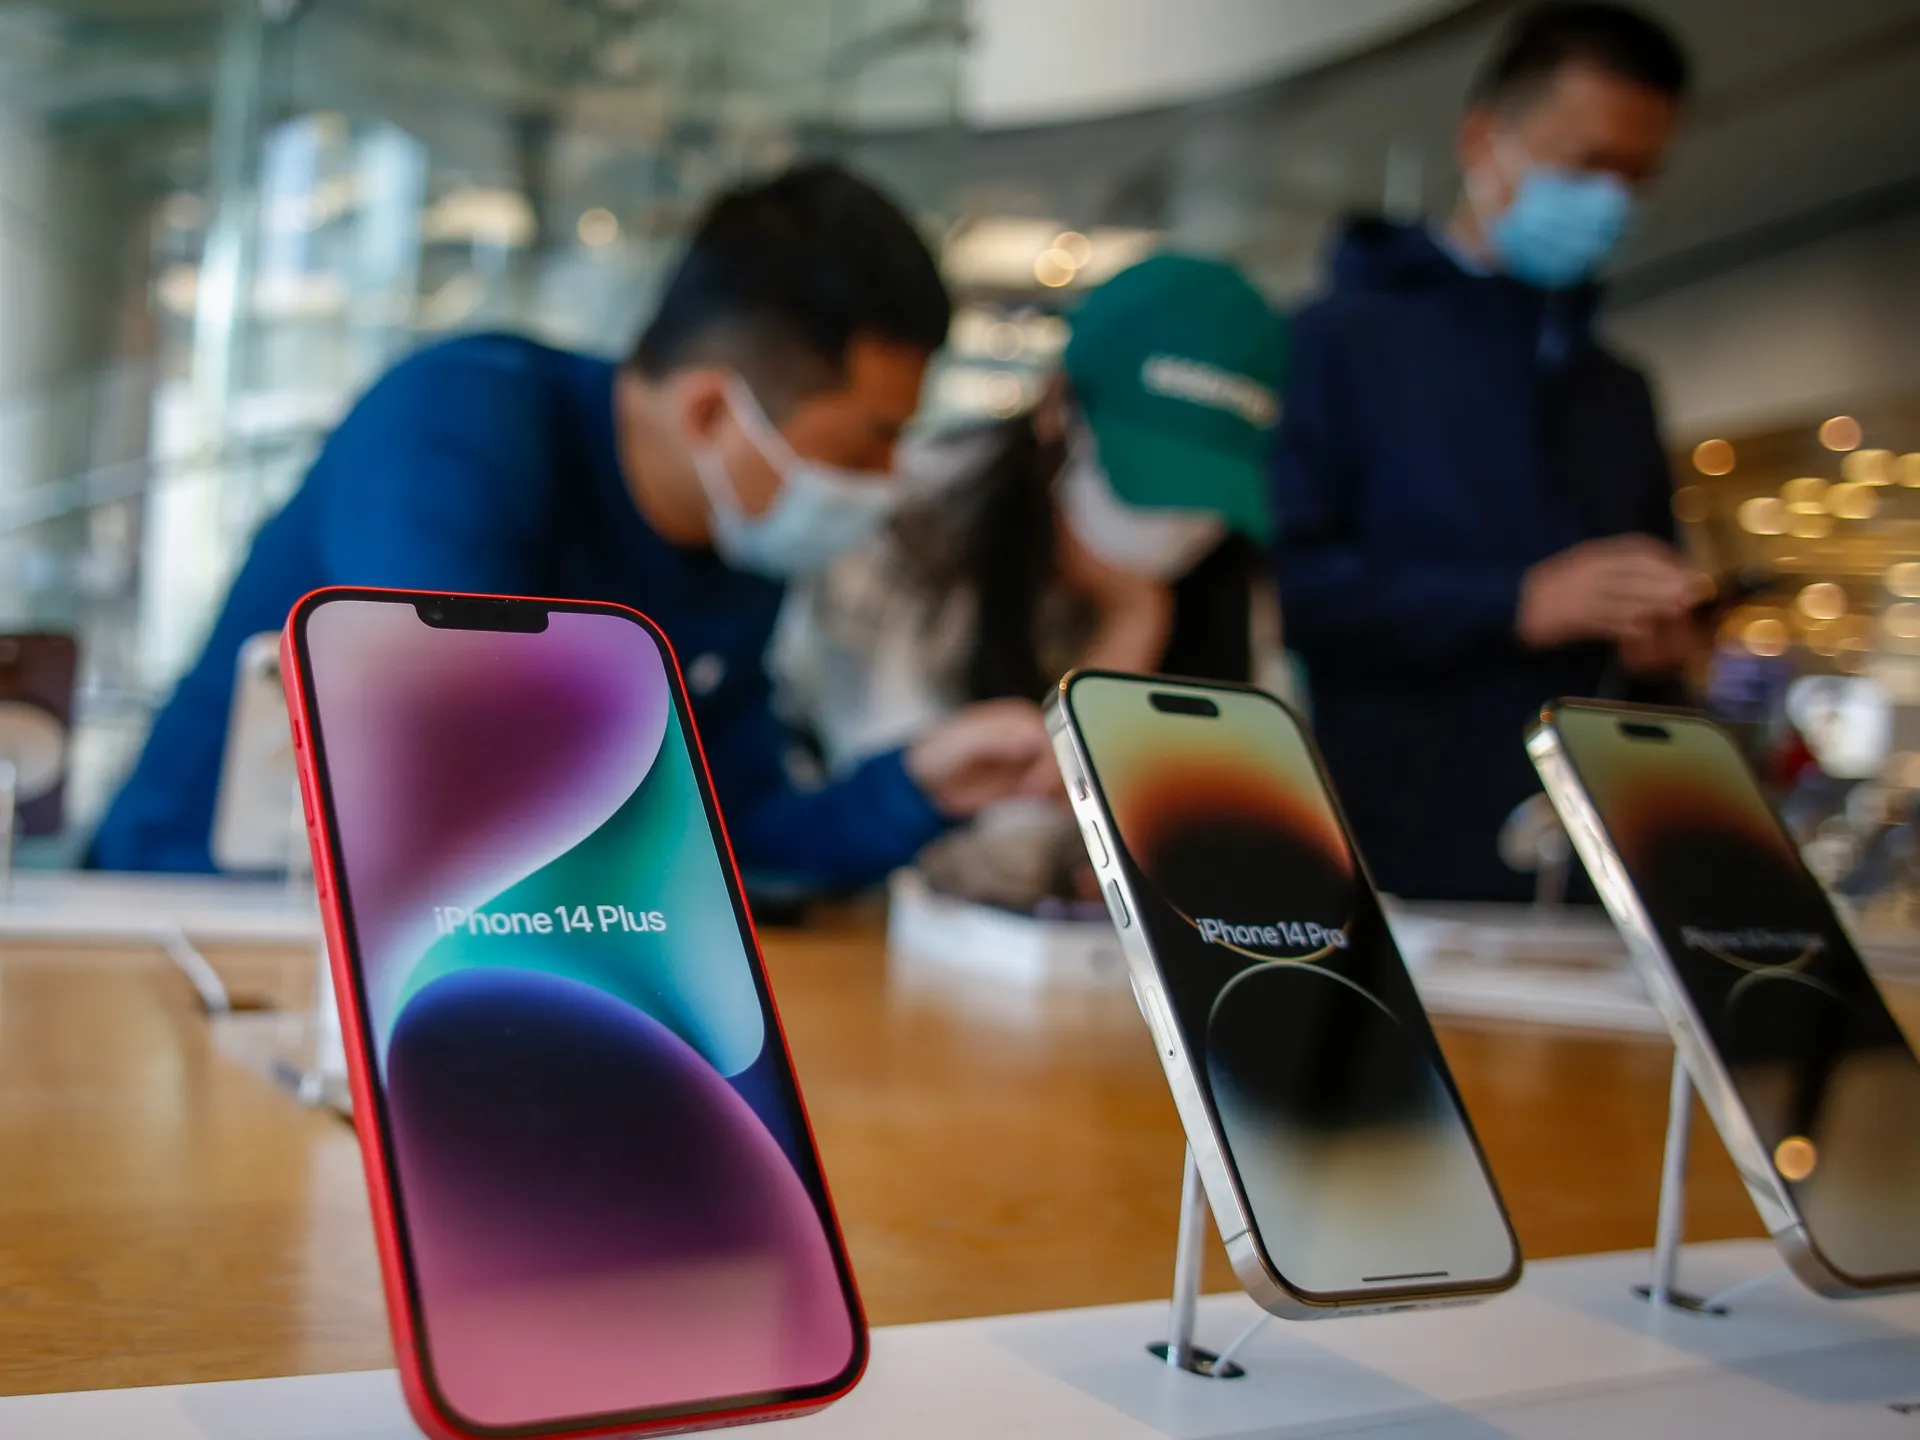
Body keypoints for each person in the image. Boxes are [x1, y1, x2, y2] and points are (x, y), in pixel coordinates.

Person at [91, 162, 1056, 883]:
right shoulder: (459, 424)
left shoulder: (737, 551)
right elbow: (468, 767)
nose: (888, 481)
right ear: (712, 413)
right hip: (186, 916)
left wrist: (918, 785)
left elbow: (737, 843)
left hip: (447, 962)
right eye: (867, 443)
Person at [1272, 2, 1698, 902]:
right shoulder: (1333, 343)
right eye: (1586, 163)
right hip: (1394, 856)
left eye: (1636, 175)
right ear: (1482, 139)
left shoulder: (1617, 387)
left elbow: (1650, 626)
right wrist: (1516, 604)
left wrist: (1664, 640)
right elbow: (1297, 590)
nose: (1610, 200)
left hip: (1588, 864)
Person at [773, 253, 1286, 777]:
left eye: (1207, 493)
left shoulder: (1229, 569)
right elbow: (903, 779)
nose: (1177, 517)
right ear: (1057, 408)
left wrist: (1138, 610)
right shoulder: (909, 519)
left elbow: (1253, 776)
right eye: (1147, 480)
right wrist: (1130, 625)